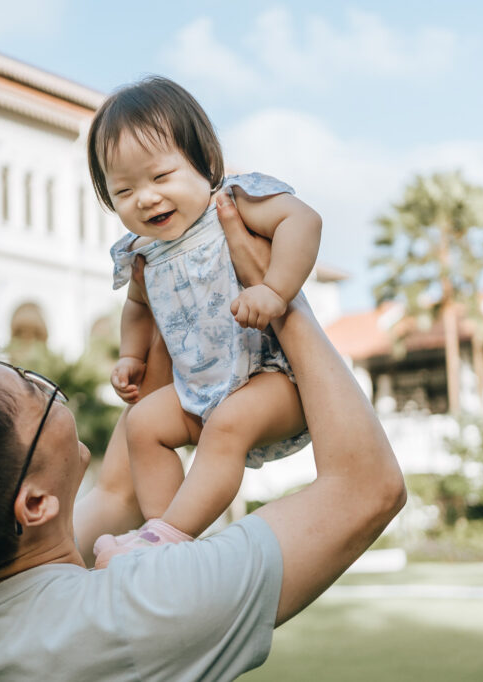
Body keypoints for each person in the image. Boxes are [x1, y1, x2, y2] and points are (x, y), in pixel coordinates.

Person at [0, 197, 406, 681]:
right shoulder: (144, 607)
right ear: (34, 502)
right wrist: (274, 290)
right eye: (35, 390)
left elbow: (119, 492)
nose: (51, 391)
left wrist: (161, 298)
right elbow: (368, 489)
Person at [87, 76, 321, 566]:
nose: (146, 198)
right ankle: (166, 535)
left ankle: (170, 532)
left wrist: (274, 289)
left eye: (161, 176)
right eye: (124, 189)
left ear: (204, 163)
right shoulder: (140, 253)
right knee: (143, 424)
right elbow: (139, 307)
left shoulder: (232, 204)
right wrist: (130, 355)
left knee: (230, 423)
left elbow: (303, 220)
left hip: (272, 380)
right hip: (199, 389)